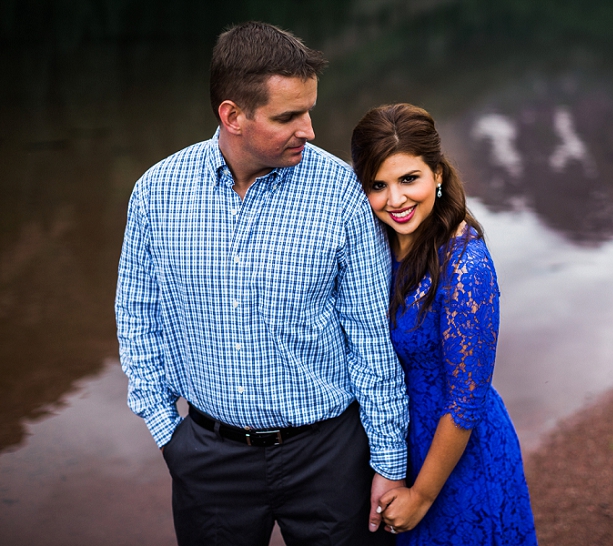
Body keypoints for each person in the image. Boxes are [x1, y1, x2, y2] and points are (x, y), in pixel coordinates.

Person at [115, 22, 408, 546]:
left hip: (329, 457)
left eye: (309, 110)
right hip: (208, 459)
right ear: (233, 115)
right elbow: (138, 317)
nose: (310, 129)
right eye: (288, 117)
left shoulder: (340, 189)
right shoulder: (156, 193)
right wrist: (168, 431)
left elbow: (371, 335)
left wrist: (388, 460)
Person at [350, 103, 539, 545]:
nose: (395, 200)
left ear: (437, 173)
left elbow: (466, 402)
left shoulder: (464, 263)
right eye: (378, 185)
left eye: (408, 179)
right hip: (392, 447)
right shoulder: (372, 244)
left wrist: (421, 495)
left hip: (454, 461)